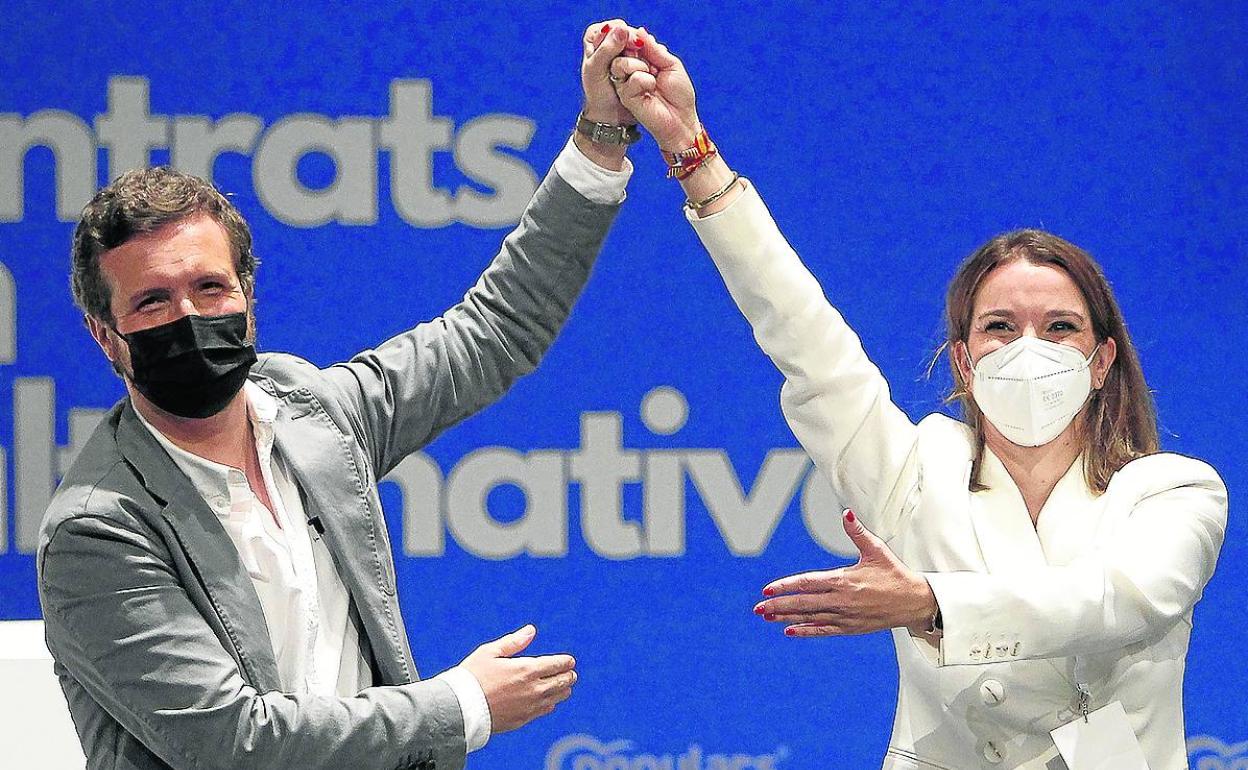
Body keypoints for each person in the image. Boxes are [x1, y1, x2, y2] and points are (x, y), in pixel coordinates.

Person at [37, 20, 650, 770]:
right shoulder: (97, 529)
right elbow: (232, 744)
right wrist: (462, 705)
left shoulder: (309, 411)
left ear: (248, 296)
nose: (190, 319)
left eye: (209, 287)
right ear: (106, 336)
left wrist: (599, 140)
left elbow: (491, 333)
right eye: (153, 304)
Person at [609, 29, 1228, 770]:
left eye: (1059, 327)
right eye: (1000, 327)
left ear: (1101, 362)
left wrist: (932, 603)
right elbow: (803, 336)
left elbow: (1119, 601)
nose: (1029, 346)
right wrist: (694, 158)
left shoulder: (1174, 491)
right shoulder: (913, 471)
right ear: (964, 361)